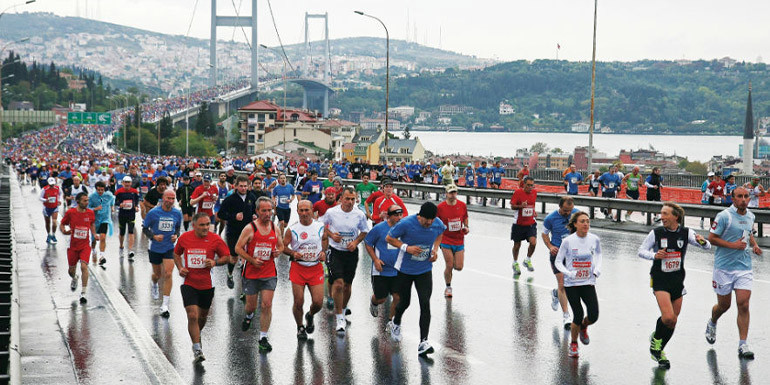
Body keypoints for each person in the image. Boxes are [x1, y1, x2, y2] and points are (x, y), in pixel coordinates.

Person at [637, 202, 711, 369]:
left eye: (665, 214)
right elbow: (641, 251)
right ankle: (656, 343)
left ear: (675, 216)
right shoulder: (656, 232)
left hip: (677, 280)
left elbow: (707, 247)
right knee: (668, 317)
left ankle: (659, 350)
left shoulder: (686, 232)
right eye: (661, 214)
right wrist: (654, 255)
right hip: (660, 279)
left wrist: (703, 241)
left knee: (672, 321)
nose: (661, 217)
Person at [705, 187, 763, 359]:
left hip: (744, 267)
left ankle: (743, 344)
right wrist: (733, 246)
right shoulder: (724, 216)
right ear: (733, 198)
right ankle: (712, 322)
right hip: (723, 268)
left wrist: (754, 244)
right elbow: (712, 238)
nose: (744, 199)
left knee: (743, 304)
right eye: (740, 196)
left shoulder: (750, 216)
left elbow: (748, 233)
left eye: (746, 196)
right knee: (724, 306)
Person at [385, 202, 446, 356]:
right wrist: (406, 247)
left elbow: (440, 233)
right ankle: (396, 322)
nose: (429, 223)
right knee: (405, 302)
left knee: (425, 303)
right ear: (420, 216)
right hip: (405, 269)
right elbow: (389, 238)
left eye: (432, 219)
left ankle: (423, 342)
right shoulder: (406, 223)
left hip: (424, 270)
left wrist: (435, 249)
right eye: (426, 220)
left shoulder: (437, 223)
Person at [173, 213, 231, 364]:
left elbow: (227, 257)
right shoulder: (185, 238)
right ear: (194, 225)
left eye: (207, 224)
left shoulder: (215, 239)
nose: (206, 228)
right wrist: (180, 268)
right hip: (189, 283)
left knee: (202, 317)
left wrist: (214, 262)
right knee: (192, 315)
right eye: (202, 225)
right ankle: (197, 348)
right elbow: (176, 253)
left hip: (207, 284)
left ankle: (197, 335)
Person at [235, 197, 283, 352]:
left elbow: (281, 246)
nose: (268, 214)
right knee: (251, 306)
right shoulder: (250, 228)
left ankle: (263, 337)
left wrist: (277, 252)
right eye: (264, 211)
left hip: (269, 272)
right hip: (251, 273)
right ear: (257, 211)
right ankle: (249, 316)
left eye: (270, 210)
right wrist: (251, 260)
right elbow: (238, 248)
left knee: (267, 304)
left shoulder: (275, 228)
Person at [322, 187, 370, 334]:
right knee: (338, 283)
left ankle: (342, 310)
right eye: (347, 198)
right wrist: (331, 235)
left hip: (351, 252)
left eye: (353, 199)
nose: (350, 202)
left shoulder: (359, 214)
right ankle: (339, 317)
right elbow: (321, 227)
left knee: (347, 285)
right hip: (335, 251)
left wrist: (355, 242)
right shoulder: (331, 212)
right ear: (341, 198)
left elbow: (364, 231)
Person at [555, 211, 602, 358]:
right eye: (582, 221)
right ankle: (574, 343)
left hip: (588, 281)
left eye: (588, 221)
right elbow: (558, 262)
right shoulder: (568, 241)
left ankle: (584, 326)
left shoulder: (594, 239)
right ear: (575, 224)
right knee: (578, 314)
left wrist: (597, 269)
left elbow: (599, 255)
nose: (586, 224)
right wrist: (569, 273)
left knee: (594, 315)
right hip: (572, 284)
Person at [283, 200, 328, 341]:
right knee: (298, 302)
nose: (304, 213)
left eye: (306, 210)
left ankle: (310, 315)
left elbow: (325, 239)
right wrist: (292, 253)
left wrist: (323, 252)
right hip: (298, 268)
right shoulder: (292, 229)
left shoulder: (320, 226)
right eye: (301, 210)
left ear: (312, 210)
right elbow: (282, 246)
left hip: (315, 268)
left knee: (318, 302)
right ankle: (300, 327)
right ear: (297, 212)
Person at [142, 189, 183, 317]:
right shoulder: (153, 213)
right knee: (157, 274)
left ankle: (165, 305)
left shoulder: (177, 213)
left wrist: (176, 235)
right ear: (163, 198)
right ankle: (154, 283)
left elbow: (177, 228)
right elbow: (145, 228)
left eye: (173, 199)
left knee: (169, 273)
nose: (170, 201)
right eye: (168, 198)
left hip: (169, 247)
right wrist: (153, 237)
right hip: (155, 247)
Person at [542, 196, 579, 330]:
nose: (568, 213)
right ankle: (566, 316)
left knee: (572, 285)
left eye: (570, 210)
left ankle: (556, 293)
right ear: (560, 207)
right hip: (557, 255)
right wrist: (550, 246)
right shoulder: (550, 218)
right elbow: (544, 234)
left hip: (573, 255)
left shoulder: (576, 214)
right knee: (562, 284)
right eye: (565, 210)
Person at [218, 175, 258, 290]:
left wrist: (256, 216)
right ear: (235, 186)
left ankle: (244, 284)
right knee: (234, 257)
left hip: (248, 231)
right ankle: (230, 274)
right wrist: (233, 216)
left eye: (245, 186)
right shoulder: (230, 199)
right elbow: (221, 214)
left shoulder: (252, 197)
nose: (243, 188)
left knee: (246, 256)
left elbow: (256, 210)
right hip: (233, 231)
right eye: (241, 186)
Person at [364, 204, 403, 322]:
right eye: (396, 215)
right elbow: (368, 243)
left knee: (397, 297)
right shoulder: (379, 228)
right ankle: (374, 302)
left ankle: (391, 321)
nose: (399, 218)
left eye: (400, 215)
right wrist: (375, 259)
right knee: (381, 298)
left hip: (397, 270)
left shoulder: (403, 228)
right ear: (389, 216)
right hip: (381, 270)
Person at [60, 192, 96, 304]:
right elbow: (62, 224)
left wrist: (94, 234)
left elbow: (92, 224)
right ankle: (75, 277)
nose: (87, 202)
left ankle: (83, 292)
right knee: (71, 270)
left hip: (85, 245)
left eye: (87, 200)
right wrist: (64, 231)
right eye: (84, 201)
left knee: (84, 266)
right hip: (73, 246)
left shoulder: (90, 213)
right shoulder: (71, 212)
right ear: (78, 201)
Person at [436, 184, 469, 298]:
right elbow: (436, 222)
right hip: (445, 239)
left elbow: (465, 217)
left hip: (459, 239)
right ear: (446, 194)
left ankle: (451, 270)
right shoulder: (440, 207)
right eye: (450, 193)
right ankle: (448, 287)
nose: (452, 195)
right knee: (449, 265)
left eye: (454, 192)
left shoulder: (462, 205)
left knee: (459, 267)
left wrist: (466, 226)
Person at [509, 176, 537, 276]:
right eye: (528, 185)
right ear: (524, 184)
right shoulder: (518, 192)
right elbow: (512, 206)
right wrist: (521, 206)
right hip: (519, 224)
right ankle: (515, 262)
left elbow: (532, 205)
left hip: (530, 223)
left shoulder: (534, 193)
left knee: (533, 243)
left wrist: (534, 212)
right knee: (517, 245)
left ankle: (527, 260)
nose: (530, 187)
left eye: (532, 185)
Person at [88, 181, 115, 266]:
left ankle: (102, 256)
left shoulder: (108, 195)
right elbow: (88, 208)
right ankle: (93, 249)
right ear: (96, 189)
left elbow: (113, 199)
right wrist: (95, 208)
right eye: (98, 190)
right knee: (94, 239)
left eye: (102, 190)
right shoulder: (92, 197)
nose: (100, 191)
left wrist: (112, 207)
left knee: (103, 237)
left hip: (105, 219)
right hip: (95, 220)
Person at [115, 176, 139, 261]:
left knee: (131, 231)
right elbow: (116, 201)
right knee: (122, 232)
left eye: (129, 182)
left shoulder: (134, 191)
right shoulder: (119, 192)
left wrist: (136, 206)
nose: (127, 184)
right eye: (126, 182)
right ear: (123, 183)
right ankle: (121, 246)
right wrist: (119, 204)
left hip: (131, 214)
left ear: (131, 183)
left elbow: (136, 201)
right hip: (122, 214)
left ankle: (130, 250)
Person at [40, 177, 62, 244]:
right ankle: (49, 234)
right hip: (46, 207)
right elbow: (40, 197)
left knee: (54, 222)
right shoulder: (44, 189)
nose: (52, 186)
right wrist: (46, 200)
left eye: (53, 184)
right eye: (50, 184)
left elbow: (60, 194)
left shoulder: (58, 188)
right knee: (48, 222)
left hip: (55, 207)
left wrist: (59, 200)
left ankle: (53, 234)